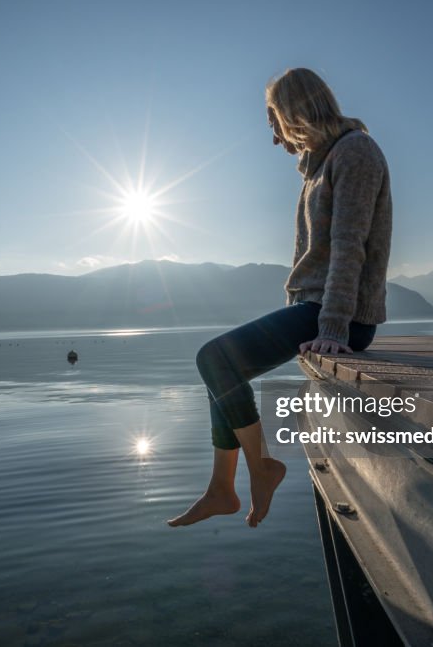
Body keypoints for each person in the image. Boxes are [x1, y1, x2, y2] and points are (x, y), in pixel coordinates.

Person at [167, 67, 392, 528]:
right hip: (314, 307)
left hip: (339, 316)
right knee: (222, 371)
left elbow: (350, 246)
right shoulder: (322, 164)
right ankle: (222, 488)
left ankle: (260, 469)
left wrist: (333, 329)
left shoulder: (357, 153)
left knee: (214, 358)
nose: (274, 137)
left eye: (274, 121)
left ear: (296, 113)